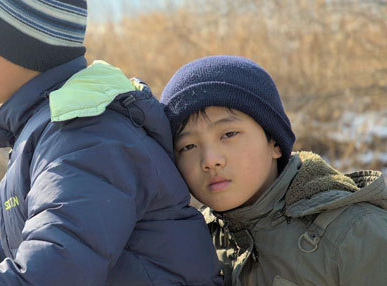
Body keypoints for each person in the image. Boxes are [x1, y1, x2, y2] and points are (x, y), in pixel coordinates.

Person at [0, 1, 223, 285]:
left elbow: (55, 268)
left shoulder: (88, 137)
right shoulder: (57, 128)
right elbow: (39, 245)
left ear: (17, 47)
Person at [159, 55, 387, 286]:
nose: (210, 160)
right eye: (188, 146)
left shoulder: (355, 234)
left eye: (228, 134)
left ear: (275, 143)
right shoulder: (192, 242)